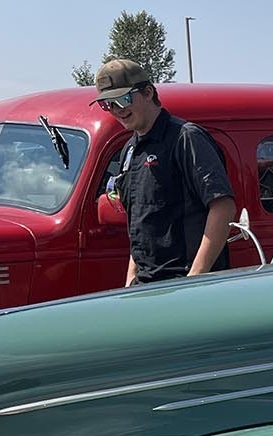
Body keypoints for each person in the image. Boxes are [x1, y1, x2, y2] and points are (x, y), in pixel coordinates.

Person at [93, 59, 236, 286]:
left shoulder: (186, 138)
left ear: (148, 92)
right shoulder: (129, 150)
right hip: (145, 286)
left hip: (184, 285)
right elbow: (140, 222)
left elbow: (223, 206)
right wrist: (131, 277)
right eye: (108, 104)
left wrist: (195, 279)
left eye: (123, 98)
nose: (117, 110)